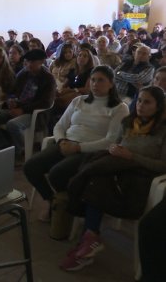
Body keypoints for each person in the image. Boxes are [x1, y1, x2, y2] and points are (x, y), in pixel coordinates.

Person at [61, 86, 166, 271]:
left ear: (158, 106)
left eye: (147, 102)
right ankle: (90, 237)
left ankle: (88, 237)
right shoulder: (129, 122)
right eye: (139, 100)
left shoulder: (162, 131)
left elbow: (162, 165)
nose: (141, 105)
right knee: (95, 178)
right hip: (118, 168)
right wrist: (114, 150)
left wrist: (132, 157)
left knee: (95, 180)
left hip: (141, 175)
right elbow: (116, 144)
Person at [24, 66, 129, 223]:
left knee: (57, 173)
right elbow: (60, 126)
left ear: (111, 84)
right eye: (93, 80)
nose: (95, 84)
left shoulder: (119, 108)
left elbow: (110, 140)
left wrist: (78, 147)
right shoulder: (79, 100)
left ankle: (72, 206)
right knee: (31, 166)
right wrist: (61, 141)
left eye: (101, 80)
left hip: (91, 150)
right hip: (66, 143)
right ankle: (53, 201)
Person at [0, 49, 57, 156]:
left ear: (41, 62)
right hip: (17, 108)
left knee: (13, 125)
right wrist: (11, 100)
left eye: (33, 62)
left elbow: (46, 102)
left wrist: (23, 110)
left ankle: (19, 152)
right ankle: (3, 147)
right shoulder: (23, 74)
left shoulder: (48, 78)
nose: (29, 64)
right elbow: (12, 91)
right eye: (27, 62)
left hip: (34, 114)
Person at [53, 48, 94, 113]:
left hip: (81, 94)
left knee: (62, 99)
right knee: (53, 95)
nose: (81, 57)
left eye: (85, 56)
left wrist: (71, 90)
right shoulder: (73, 70)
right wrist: (61, 90)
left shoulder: (91, 71)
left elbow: (87, 89)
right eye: (79, 55)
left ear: (89, 60)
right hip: (69, 91)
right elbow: (64, 85)